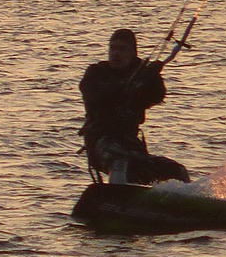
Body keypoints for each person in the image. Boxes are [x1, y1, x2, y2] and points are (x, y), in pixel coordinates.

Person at [79, 28, 190, 185]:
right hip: (101, 142)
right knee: (119, 161)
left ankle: (183, 201)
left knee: (177, 171)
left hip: (131, 144)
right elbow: (102, 94)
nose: (116, 53)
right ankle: (116, 198)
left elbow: (156, 96)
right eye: (113, 48)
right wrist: (130, 84)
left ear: (133, 53)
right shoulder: (95, 73)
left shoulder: (141, 72)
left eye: (122, 49)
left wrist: (152, 76)